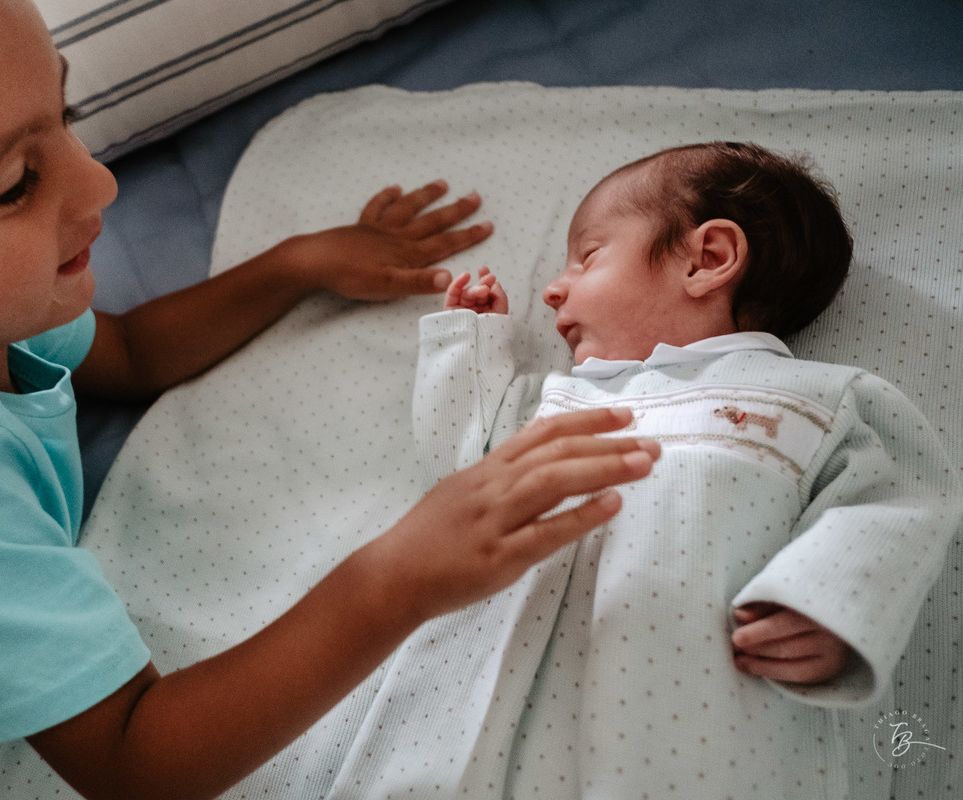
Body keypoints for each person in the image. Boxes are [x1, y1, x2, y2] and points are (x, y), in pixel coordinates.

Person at [0, 3, 665, 800]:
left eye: (65, 117)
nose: (98, 183)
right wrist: (397, 576)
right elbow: (134, 759)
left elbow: (131, 349)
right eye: (15, 185)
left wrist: (293, 265)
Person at [400, 141, 961, 797]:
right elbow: (467, 467)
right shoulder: (560, 401)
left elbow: (893, 504)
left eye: (587, 257)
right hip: (507, 711)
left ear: (708, 259)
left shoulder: (813, 398)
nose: (553, 288)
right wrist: (468, 350)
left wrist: (830, 607)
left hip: (689, 707)